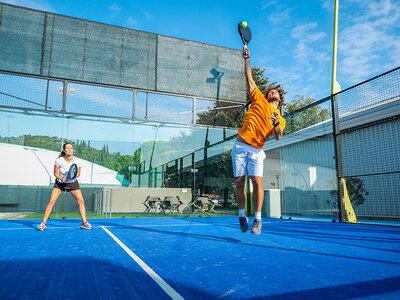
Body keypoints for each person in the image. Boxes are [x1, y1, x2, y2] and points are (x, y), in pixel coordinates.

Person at [231, 46, 286, 234]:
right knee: (239, 181)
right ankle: (241, 215)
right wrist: (247, 58)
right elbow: (249, 78)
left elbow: (278, 136)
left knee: (257, 182)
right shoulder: (258, 100)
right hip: (239, 145)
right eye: (270, 90)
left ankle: (258, 219)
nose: (271, 92)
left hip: (256, 151)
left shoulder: (280, 117)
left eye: (275, 92)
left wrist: (276, 123)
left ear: (279, 99)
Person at [36, 143, 93, 231]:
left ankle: (84, 223)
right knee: (52, 201)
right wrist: (62, 178)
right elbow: (55, 173)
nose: (70, 149)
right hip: (60, 183)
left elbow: (78, 174)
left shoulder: (77, 161)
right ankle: (43, 223)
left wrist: (71, 177)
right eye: (68, 148)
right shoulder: (59, 160)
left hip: (72, 183)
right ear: (64, 150)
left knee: (81, 200)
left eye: (71, 148)